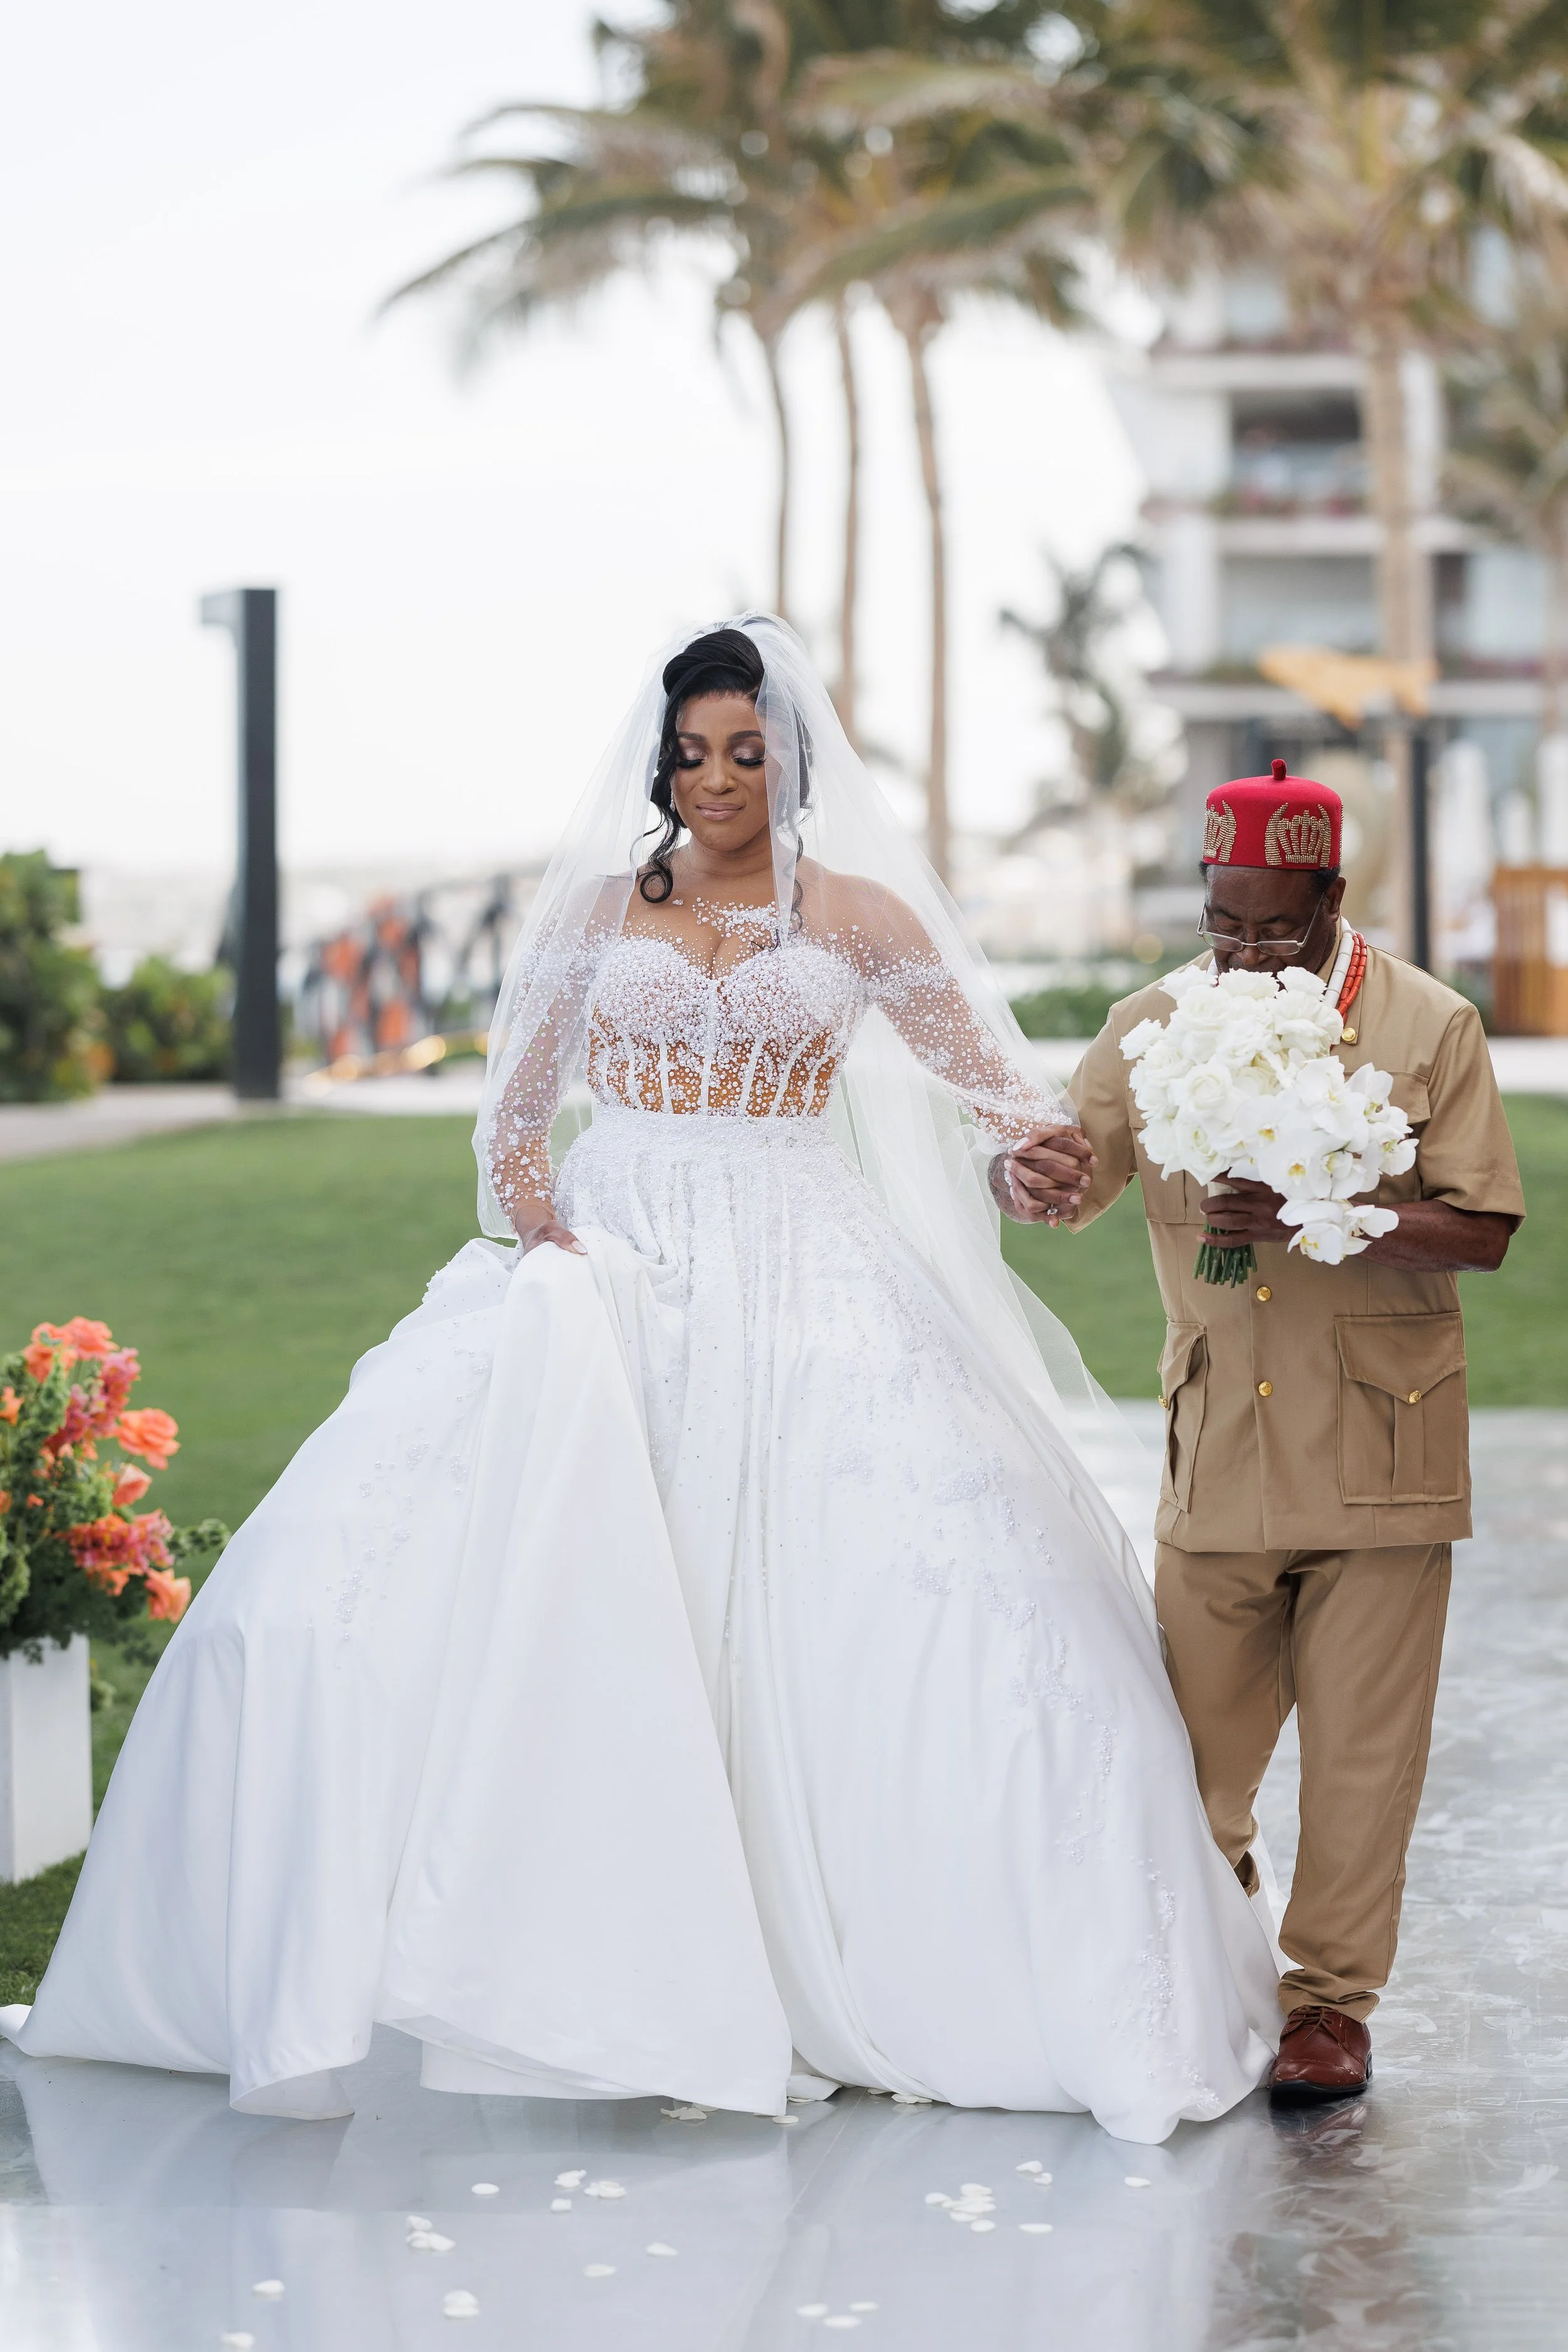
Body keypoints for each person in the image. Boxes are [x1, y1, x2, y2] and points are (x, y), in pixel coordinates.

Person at [2, 619, 1281, 2144]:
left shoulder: (860, 914)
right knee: (350, 1592)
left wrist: (1040, 1153)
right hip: (615, 1262)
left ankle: (860, 1958)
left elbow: (999, 1103)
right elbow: (514, 1124)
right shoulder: (600, 909)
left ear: (792, 762)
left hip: (809, 1262)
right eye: (694, 751)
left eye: (750, 751)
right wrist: (545, 1232)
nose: (719, 778)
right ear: (660, 758)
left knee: (884, 1595)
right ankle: (547, 1943)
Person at [998, 761, 1523, 2103]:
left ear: (1330, 899)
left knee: (1359, 1763)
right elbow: (1073, 1183)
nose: (1237, 953)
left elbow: (1484, 1226)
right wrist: (1024, 1176)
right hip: (1217, 1451)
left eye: (1269, 927)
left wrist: (1323, 1212)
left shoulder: (1428, 1025)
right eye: (1217, 923)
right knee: (1188, 1759)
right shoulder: (1149, 1023)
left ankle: (1327, 2006)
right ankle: (1214, 1954)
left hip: (1381, 1458)